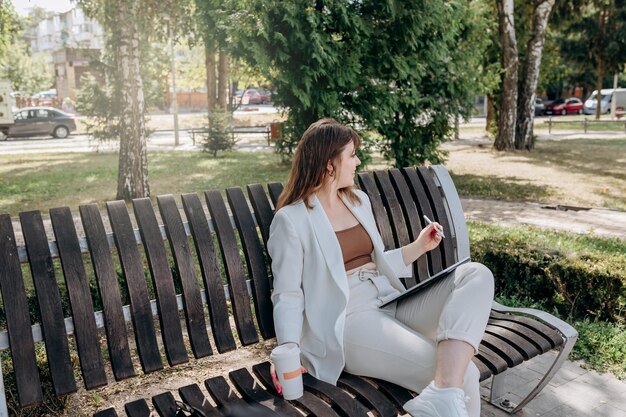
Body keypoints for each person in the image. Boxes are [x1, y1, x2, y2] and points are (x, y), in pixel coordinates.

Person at [268, 118, 494, 417]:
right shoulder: (292, 220)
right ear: (329, 164)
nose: (358, 161)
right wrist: (288, 350)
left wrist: (419, 247)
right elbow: (287, 294)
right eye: (351, 155)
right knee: (463, 376)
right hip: (349, 318)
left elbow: (377, 261)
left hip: (389, 299)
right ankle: (442, 394)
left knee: (476, 273)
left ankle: (440, 396)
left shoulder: (357, 200)